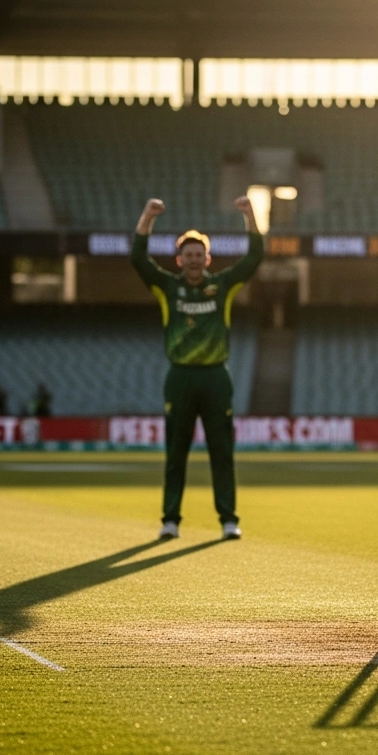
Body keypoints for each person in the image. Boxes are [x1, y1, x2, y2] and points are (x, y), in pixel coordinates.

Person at [132, 196, 263, 541]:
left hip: (216, 376)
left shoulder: (221, 286)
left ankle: (229, 520)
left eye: (198, 254)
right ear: (179, 260)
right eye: (187, 255)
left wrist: (250, 215)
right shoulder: (167, 286)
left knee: (222, 451)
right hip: (181, 376)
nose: (193, 260)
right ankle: (171, 520)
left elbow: (254, 257)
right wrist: (147, 218)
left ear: (207, 258)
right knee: (176, 453)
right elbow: (137, 259)